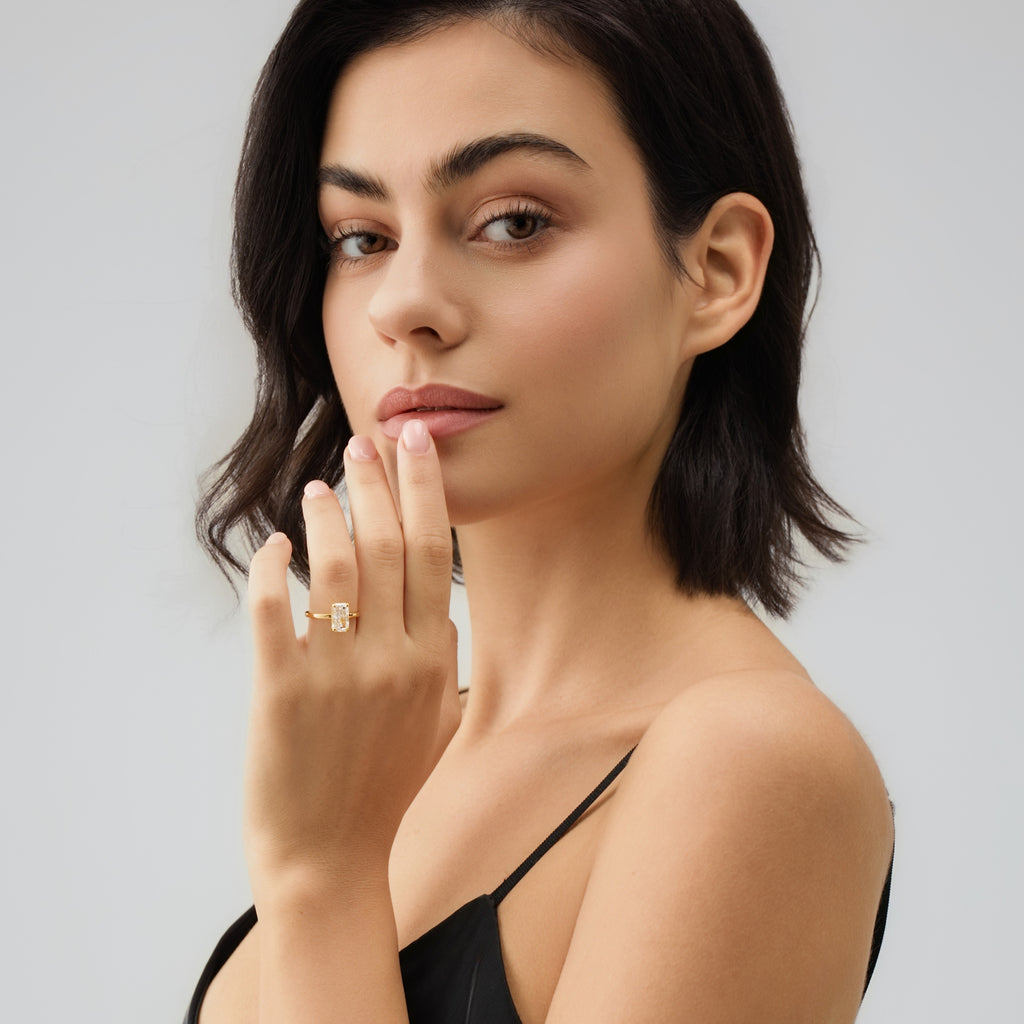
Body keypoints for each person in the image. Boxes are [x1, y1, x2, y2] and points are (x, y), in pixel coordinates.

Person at [187, 1, 894, 1021]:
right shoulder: (398, 741)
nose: (404, 304)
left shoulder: (754, 761)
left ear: (718, 269)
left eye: (513, 221)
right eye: (360, 236)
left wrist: (323, 880)